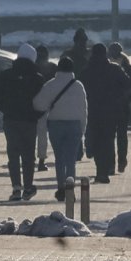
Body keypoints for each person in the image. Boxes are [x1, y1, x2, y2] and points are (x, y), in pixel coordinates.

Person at [0, 44, 46, 201]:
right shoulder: (37, 78)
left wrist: (6, 109)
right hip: (29, 121)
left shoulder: (6, 75)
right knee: (28, 155)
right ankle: (28, 187)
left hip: (11, 120)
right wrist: (36, 114)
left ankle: (16, 188)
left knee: (13, 154)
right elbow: (44, 101)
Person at [34, 56, 87, 210]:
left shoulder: (51, 85)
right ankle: (70, 188)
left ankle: (61, 188)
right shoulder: (78, 86)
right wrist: (82, 130)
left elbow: (38, 103)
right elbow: (84, 110)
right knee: (71, 159)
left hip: (56, 124)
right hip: (74, 126)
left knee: (60, 158)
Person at [81, 43, 131, 184]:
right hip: (111, 110)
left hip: (92, 111)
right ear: (105, 54)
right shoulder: (114, 69)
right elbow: (128, 84)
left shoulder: (87, 71)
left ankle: (100, 170)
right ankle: (107, 168)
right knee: (108, 139)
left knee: (96, 140)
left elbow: (81, 90)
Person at [111, 42, 131, 173]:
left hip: (109, 107)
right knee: (122, 135)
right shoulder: (128, 67)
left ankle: (111, 162)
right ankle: (121, 160)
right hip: (123, 106)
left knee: (109, 135)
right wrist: (128, 99)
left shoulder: (107, 66)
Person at [34, 45, 56, 171]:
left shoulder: (31, 68)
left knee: (32, 133)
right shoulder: (52, 68)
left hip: (31, 104)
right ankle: (41, 160)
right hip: (48, 103)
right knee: (43, 134)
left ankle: (30, 158)